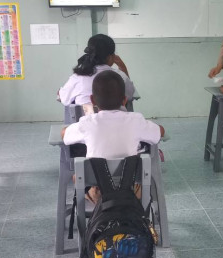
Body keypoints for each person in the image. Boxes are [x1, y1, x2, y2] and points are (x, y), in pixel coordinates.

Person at [62, 70, 163, 202]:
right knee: (142, 180)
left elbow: (64, 134)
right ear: (124, 100)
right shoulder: (136, 120)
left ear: (92, 100)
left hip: (99, 190)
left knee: (78, 176)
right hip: (131, 189)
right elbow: (160, 132)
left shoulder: (87, 123)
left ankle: (96, 201)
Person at [58, 34, 135, 112]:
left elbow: (64, 99)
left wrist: (61, 92)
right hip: (116, 119)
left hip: (85, 118)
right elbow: (130, 95)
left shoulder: (78, 77)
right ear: (110, 57)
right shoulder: (119, 76)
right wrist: (122, 67)